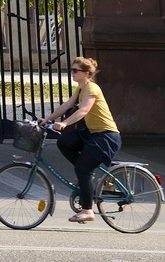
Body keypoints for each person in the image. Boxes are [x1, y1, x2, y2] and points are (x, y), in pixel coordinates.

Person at [45, 56, 121, 223]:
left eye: (75, 70)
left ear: (86, 73)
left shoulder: (92, 88)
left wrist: (64, 123)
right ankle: (87, 176)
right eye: (71, 70)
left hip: (106, 136)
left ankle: (87, 210)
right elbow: (66, 106)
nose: (72, 73)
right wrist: (47, 119)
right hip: (93, 134)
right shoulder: (80, 88)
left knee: (82, 169)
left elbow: (84, 110)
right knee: (65, 143)